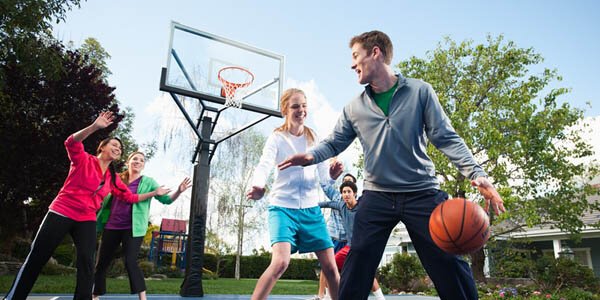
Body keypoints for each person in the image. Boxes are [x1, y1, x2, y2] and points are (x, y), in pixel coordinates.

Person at [278, 30, 506, 300]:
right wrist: (310, 156)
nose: (352, 64)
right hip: (377, 195)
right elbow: (333, 142)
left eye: (355, 56)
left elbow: (446, 137)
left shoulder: (420, 91)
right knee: (358, 258)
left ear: (376, 52)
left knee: (447, 260)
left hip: (422, 191)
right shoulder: (354, 108)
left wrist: (477, 173)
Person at [3, 111, 171, 300]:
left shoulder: (113, 179)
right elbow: (71, 142)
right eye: (114, 145)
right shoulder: (84, 160)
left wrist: (154, 193)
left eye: (120, 148)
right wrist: (95, 127)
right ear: (102, 148)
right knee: (38, 257)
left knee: (87, 264)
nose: (118, 148)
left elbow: (131, 198)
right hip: (62, 211)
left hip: (86, 218)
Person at [246, 88, 340, 300]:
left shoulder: (313, 137)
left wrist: (333, 175)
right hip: (282, 209)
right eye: (295, 106)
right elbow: (264, 165)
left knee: (331, 269)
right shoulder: (277, 138)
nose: (301, 110)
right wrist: (259, 185)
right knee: (280, 262)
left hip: (311, 211)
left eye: (304, 105)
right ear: (285, 110)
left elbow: (324, 177)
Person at [93, 151, 191, 300]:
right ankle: (95, 295)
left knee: (130, 261)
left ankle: (142, 297)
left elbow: (167, 200)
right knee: (102, 262)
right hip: (112, 225)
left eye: (141, 160)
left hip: (133, 228)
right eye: (135, 159)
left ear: (143, 165)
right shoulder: (117, 178)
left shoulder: (148, 183)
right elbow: (102, 192)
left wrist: (178, 191)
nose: (138, 162)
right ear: (128, 162)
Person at [319, 181, 385, 300]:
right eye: (344, 192)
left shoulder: (361, 206)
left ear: (354, 193)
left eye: (349, 191)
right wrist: (308, 206)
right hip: (350, 247)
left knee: (366, 272)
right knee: (329, 266)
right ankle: (329, 296)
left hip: (364, 246)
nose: (346, 194)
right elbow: (327, 203)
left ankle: (380, 298)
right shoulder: (341, 206)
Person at [312, 171, 355, 300]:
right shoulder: (336, 196)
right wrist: (330, 174)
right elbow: (324, 185)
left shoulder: (356, 203)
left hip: (347, 240)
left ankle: (338, 295)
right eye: (344, 180)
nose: (346, 182)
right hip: (334, 237)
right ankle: (321, 295)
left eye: (350, 181)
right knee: (327, 267)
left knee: (344, 270)